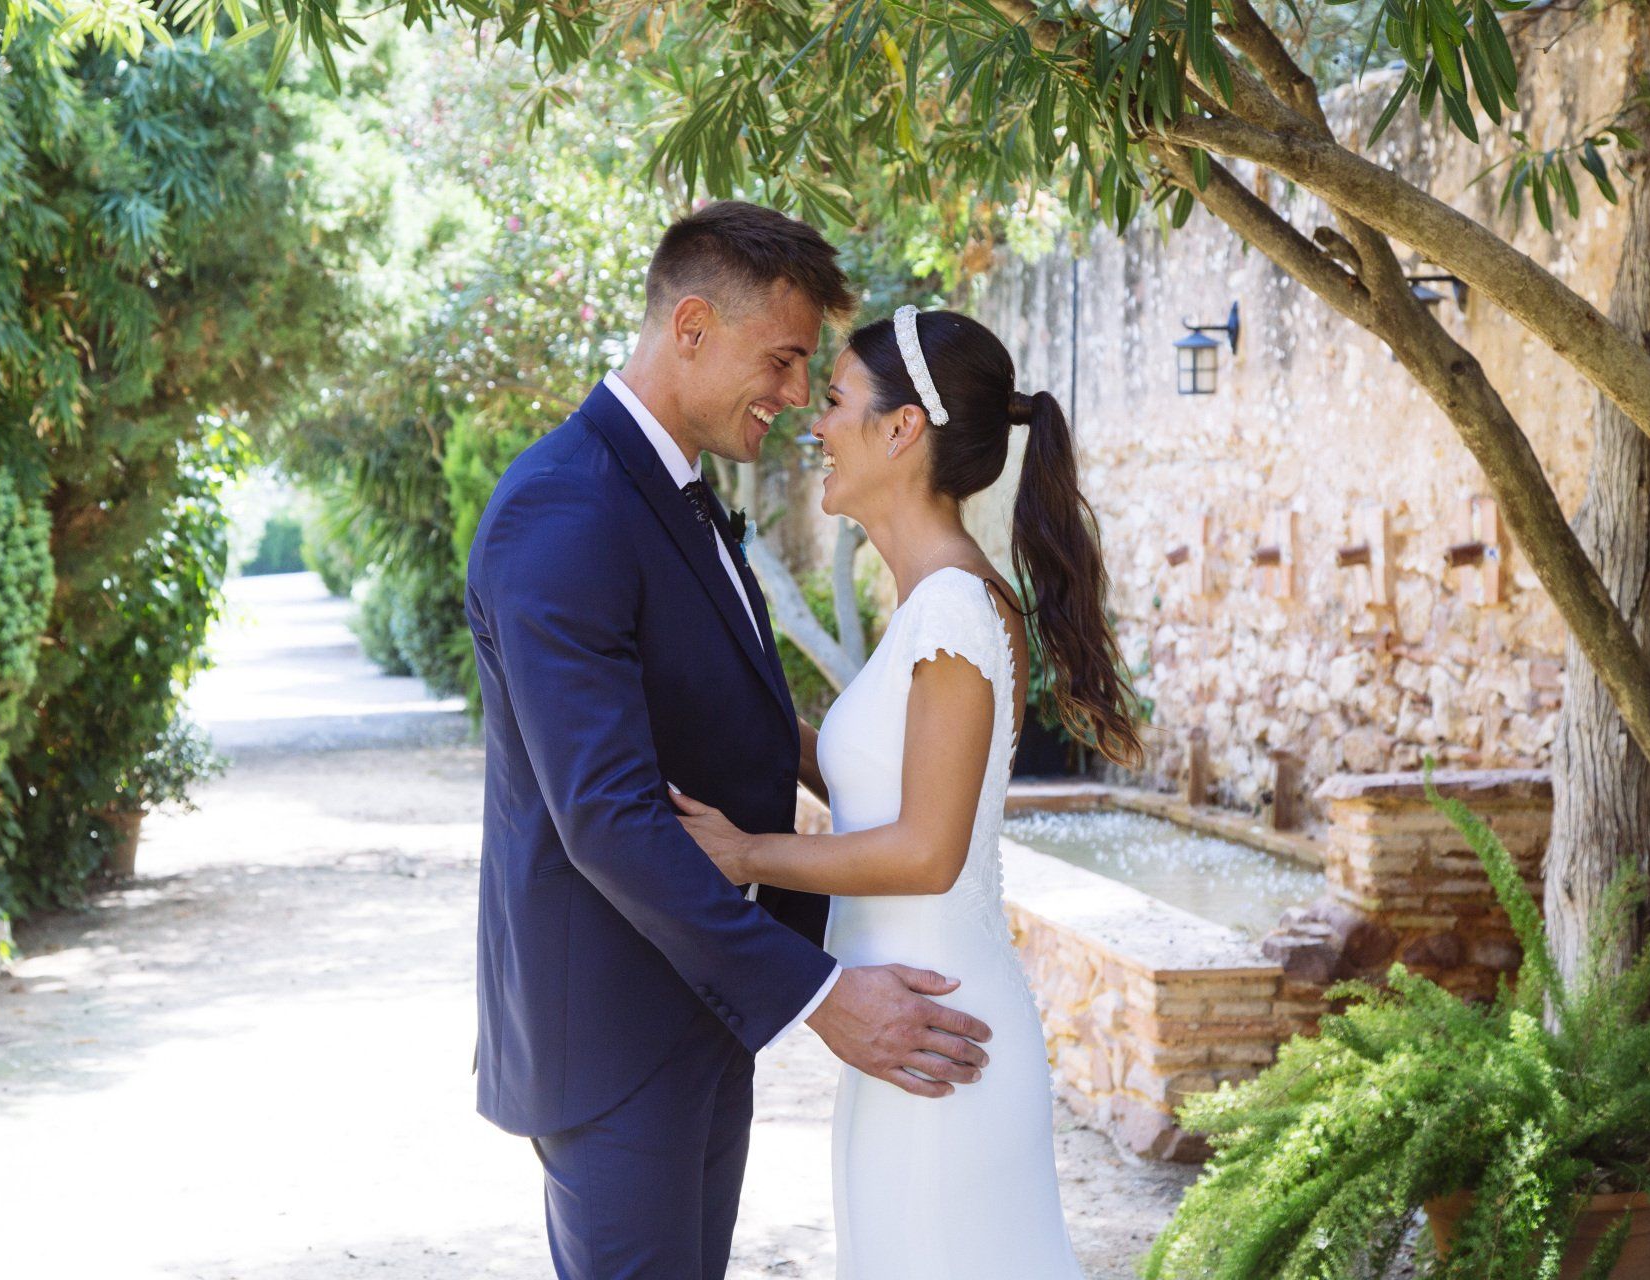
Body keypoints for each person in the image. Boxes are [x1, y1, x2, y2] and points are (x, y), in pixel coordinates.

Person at [464, 203, 995, 1280]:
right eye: (786, 358)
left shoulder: (669, 493)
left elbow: (734, 723)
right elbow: (607, 816)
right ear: (693, 325)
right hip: (610, 1039)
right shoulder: (564, 510)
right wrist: (819, 990)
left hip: (692, 1020)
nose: (798, 395)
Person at [673, 305, 1146, 1278]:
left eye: (837, 399)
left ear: (902, 429)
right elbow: (870, 774)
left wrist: (748, 852)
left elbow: (927, 848)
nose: (815, 421)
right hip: (904, 1022)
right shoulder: (932, 606)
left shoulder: (957, 614)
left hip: (938, 1031)